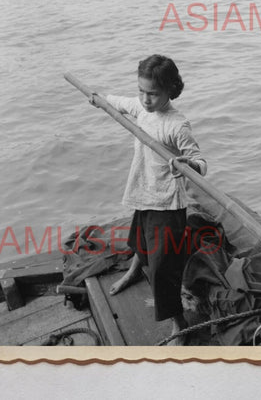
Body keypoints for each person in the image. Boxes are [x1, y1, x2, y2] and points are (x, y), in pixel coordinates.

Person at [91, 54, 207, 345]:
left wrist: (189, 165)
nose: (144, 99)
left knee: (163, 268)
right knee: (140, 240)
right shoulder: (142, 109)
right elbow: (121, 103)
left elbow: (200, 161)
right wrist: (100, 99)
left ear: (171, 89)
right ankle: (133, 270)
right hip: (143, 191)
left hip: (167, 204)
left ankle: (179, 323)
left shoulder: (177, 125)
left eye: (152, 94)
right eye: (141, 91)